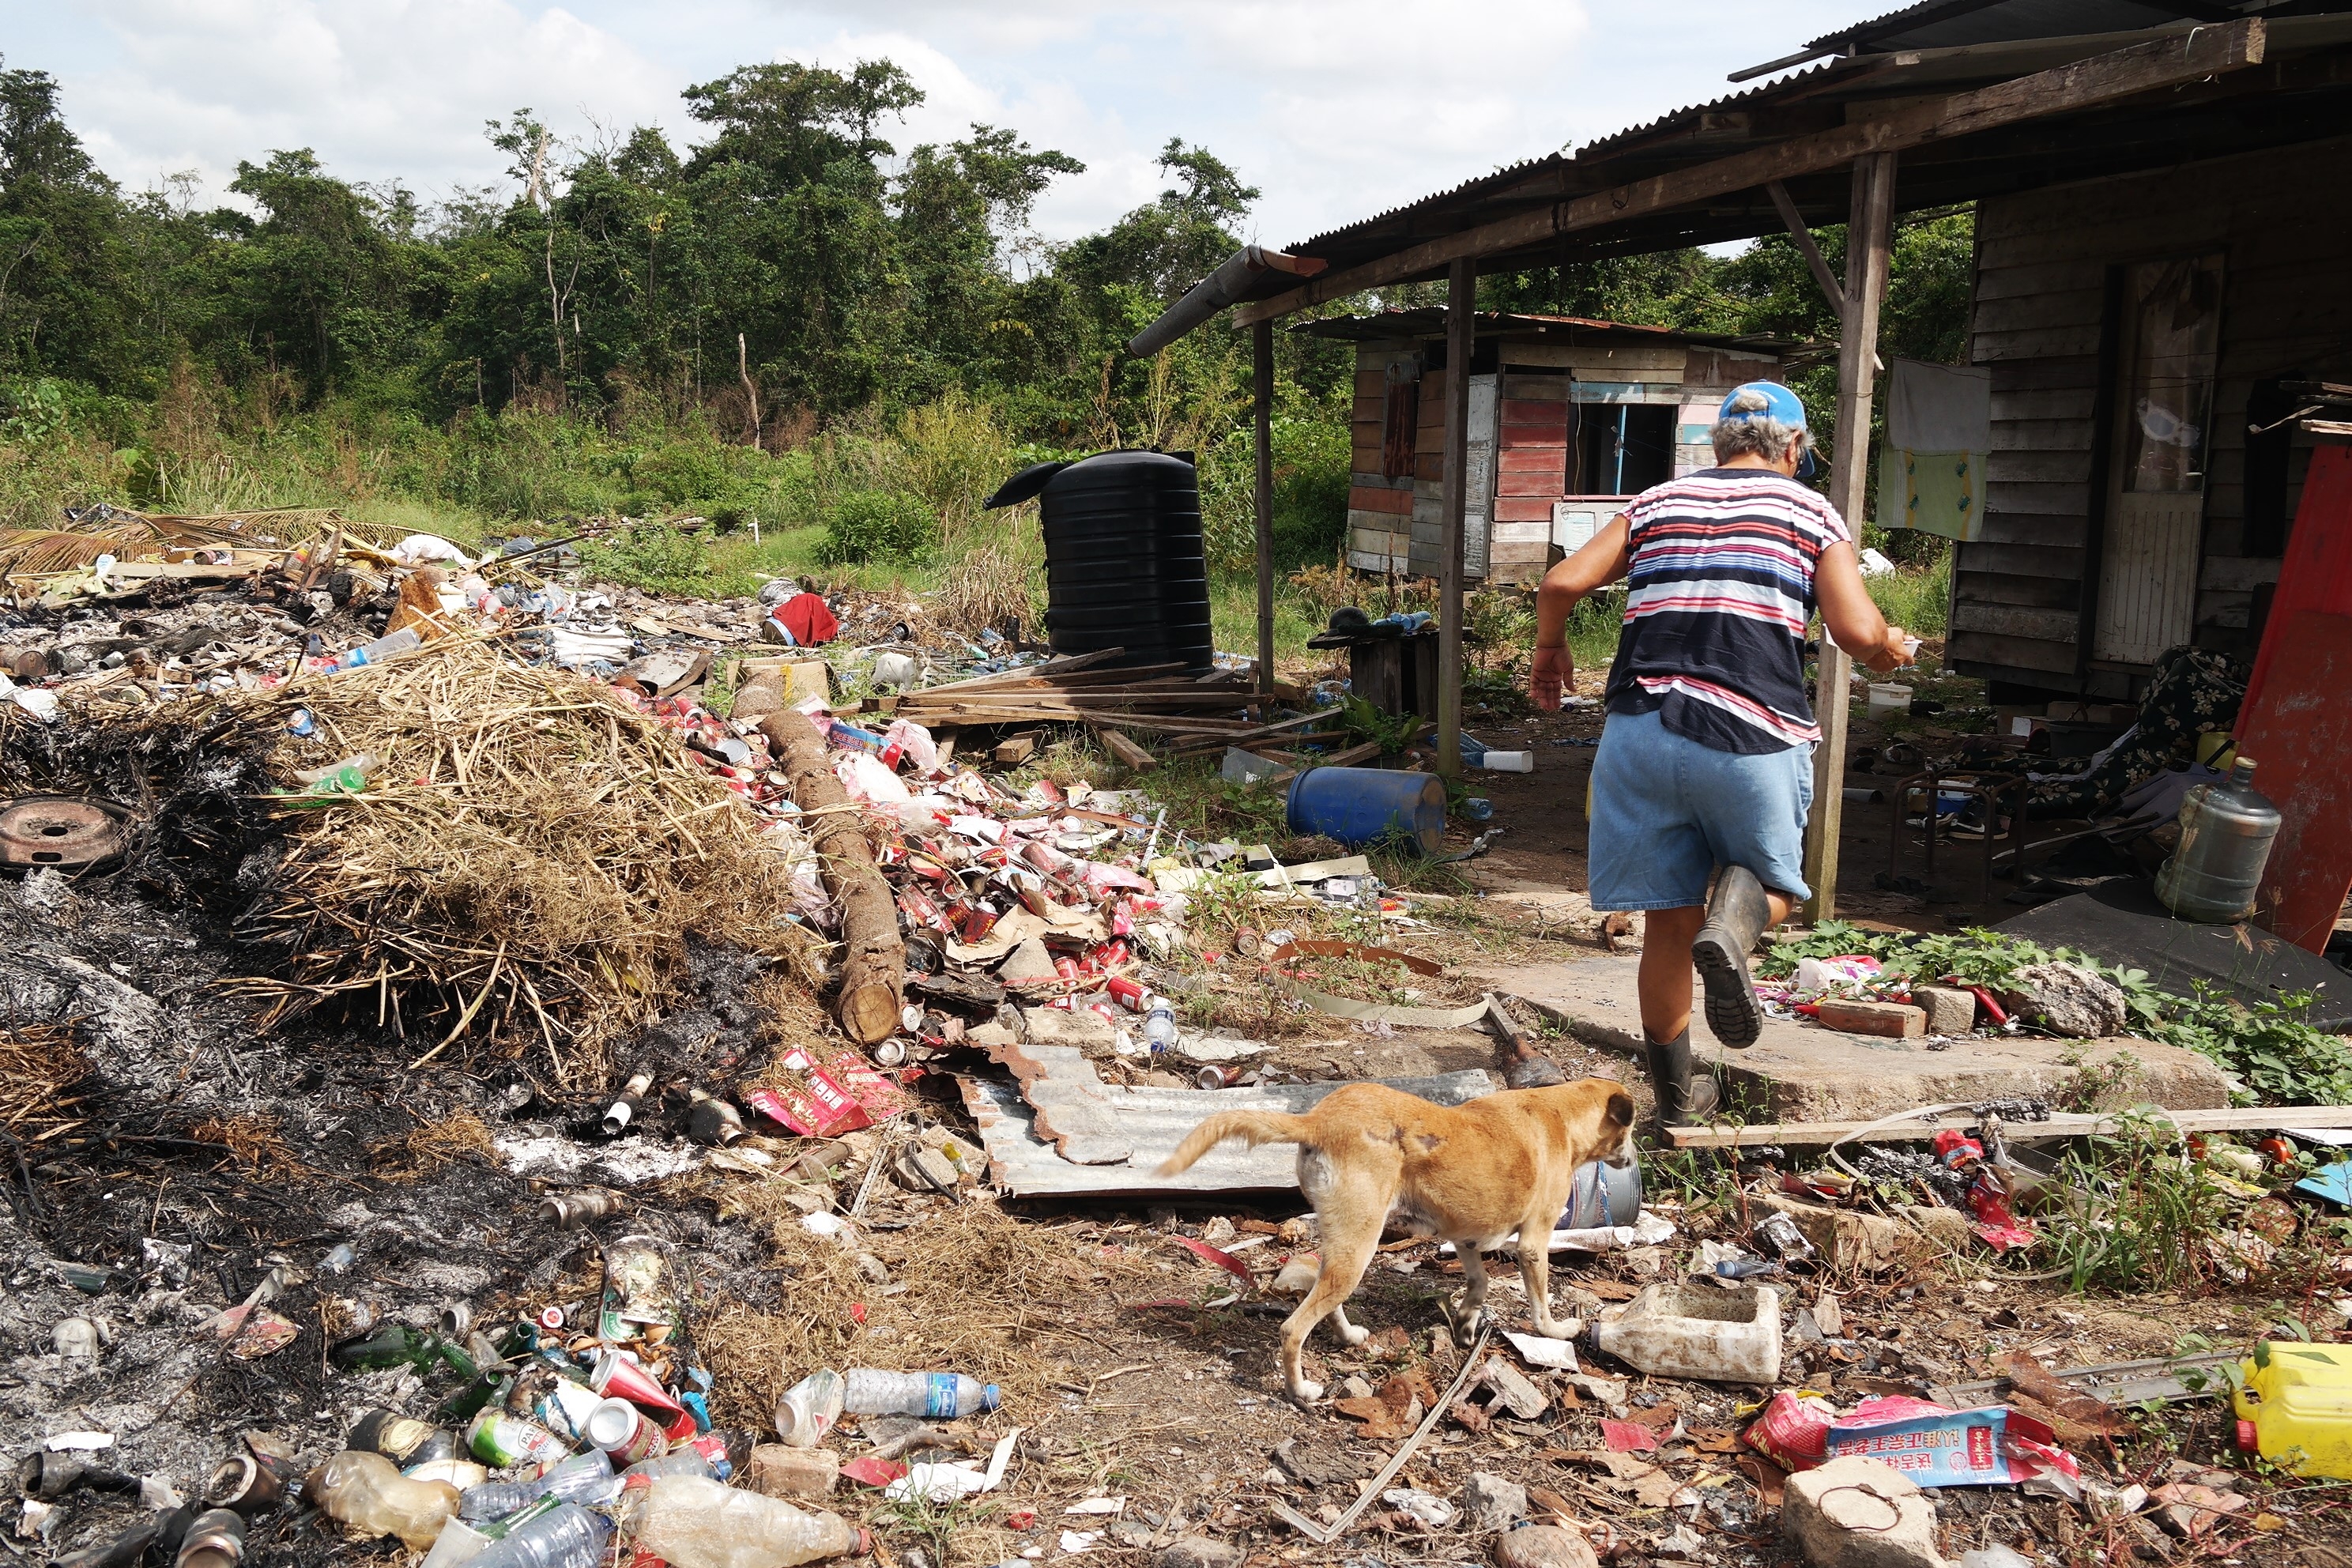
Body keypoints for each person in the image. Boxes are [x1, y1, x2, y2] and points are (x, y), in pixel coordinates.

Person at [1528, 383, 1917, 1124]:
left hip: (1638, 732)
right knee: (1776, 889)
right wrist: (1891, 648)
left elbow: (1561, 581)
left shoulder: (1656, 501)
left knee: (1668, 925)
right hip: (1748, 732)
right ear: (1795, 450)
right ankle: (1734, 927)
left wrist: (1550, 649)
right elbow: (1859, 632)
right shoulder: (1808, 510)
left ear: (1717, 446)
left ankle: (1679, 1098)